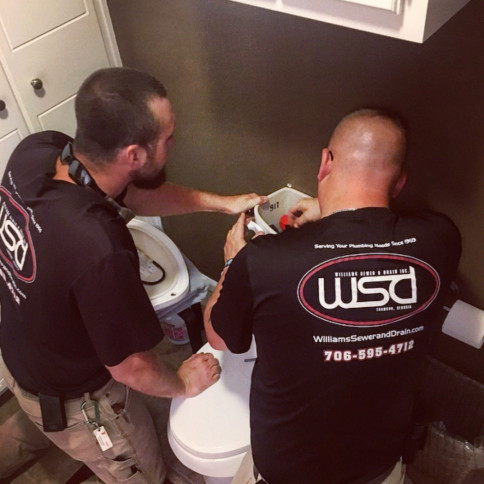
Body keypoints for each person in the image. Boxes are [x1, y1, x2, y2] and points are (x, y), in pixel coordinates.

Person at [0, 67, 267, 483]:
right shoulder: (99, 249)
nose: (174, 143)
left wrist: (224, 203)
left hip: (20, 351)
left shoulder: (38, 151)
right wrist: (183, 382)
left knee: (34, 425)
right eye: (168, 137)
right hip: (80, 399)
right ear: (134, 156)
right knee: (142, 471)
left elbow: (135, 195)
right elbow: (131, 369)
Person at [204, 108, 462, 484]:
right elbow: (384, 225)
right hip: (378, 466)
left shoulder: (263, 260)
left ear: (325, 161)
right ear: (401, 182)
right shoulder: (441, 239)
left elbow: (218, 338)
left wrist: (232, 263)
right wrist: (328, 210)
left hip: (288, 472)